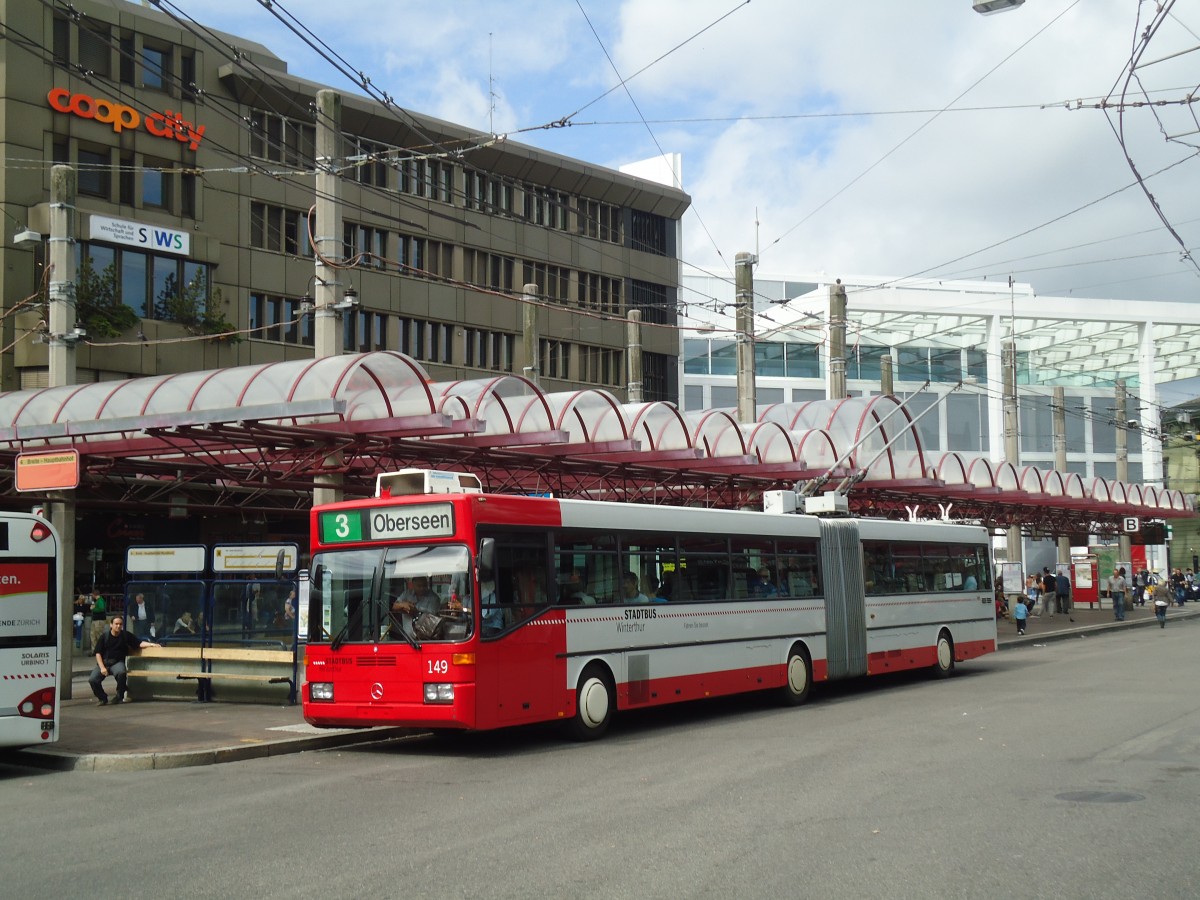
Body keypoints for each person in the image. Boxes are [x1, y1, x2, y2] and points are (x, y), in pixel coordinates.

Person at [88, 616, 160, 704]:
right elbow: (98, 653)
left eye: (120, 624)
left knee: (121, 673)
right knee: (93, 679)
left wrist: (152, 644)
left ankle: (119, 695)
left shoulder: (125, 635)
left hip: (117, 662)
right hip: (104, 662)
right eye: (116, 624)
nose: (118, 626)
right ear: (111, 625)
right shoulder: (104, 637)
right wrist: (102, 667)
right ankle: (102, 698)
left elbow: (139, 643)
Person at [88, 587, 107, 652]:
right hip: (96, 619)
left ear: (94, 594)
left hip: (99, 620)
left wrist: (93, 609)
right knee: (93, 635)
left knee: (98, 635)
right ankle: (95, 650)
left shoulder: (100, 600)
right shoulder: (98, 601)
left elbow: (101, 609)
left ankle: (100, 650)